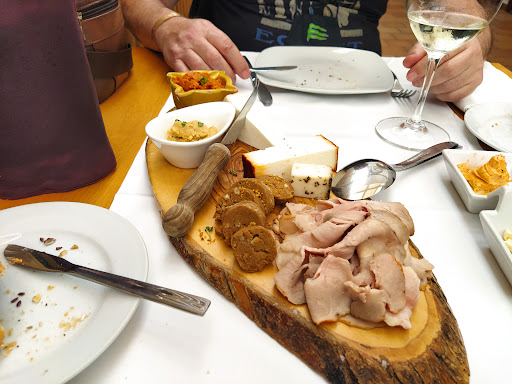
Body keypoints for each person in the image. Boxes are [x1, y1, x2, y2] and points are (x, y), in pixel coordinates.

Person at [121, 0, 492, 102]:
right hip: (229, 87)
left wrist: (472, 43)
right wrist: (165, 24)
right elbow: (138, 5)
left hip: (370, 98)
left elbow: (464, 9)